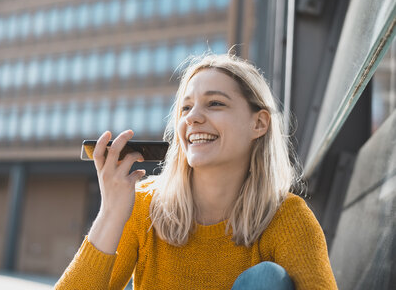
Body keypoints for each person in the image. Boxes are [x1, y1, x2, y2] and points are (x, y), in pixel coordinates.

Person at [55, 53, 338, 289]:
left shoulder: (288, 217)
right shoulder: (142, 205)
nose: (193, 117)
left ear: (259, 124)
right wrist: (111, 213)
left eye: (215, 103)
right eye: (186, 107)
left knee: (266, 279)